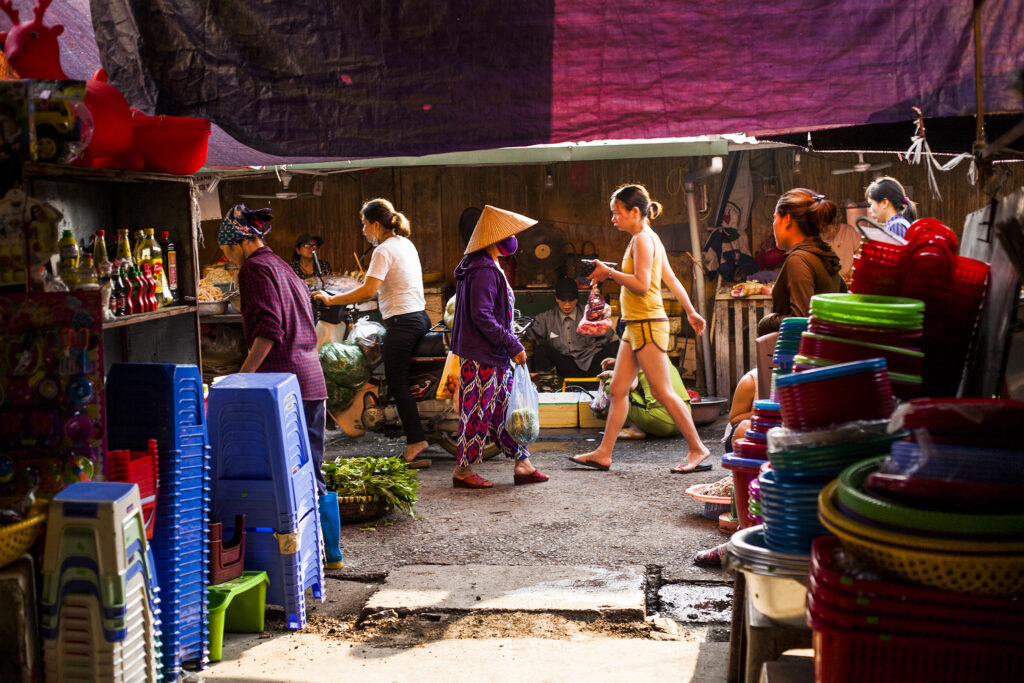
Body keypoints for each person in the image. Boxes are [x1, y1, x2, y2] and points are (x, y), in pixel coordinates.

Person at [568, 184, 710, 474]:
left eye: (617, 213)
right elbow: (670, 278)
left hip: (647, 325)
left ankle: (698, 448)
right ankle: (604, 453)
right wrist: (691, 311)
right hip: (635, 326)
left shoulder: (644, 240)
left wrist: (608, 272)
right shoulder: (647, 239)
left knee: (662, 391)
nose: (613, 219)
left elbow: (643, 284)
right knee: (618, 389)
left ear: (635, 211)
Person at [312, 199, 432, 469]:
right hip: (419, 318)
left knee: (397, 380)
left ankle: (416, 440)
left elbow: (368, 290)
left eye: (364, 225)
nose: (363, 231)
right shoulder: (405, 244)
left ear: (376, 224)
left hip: (402, 324)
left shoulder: (383, 250)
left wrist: (332, 301)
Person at [218, 204, 329, 491]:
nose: (228, 259)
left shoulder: (254, 268)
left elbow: (269, 328)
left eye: (227, 251)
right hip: (311, 381)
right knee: (311, 475)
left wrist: (244, 377)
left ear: (241, 243)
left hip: (284, 386)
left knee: (289, 479)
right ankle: (323, 535)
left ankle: (301, 536)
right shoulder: (283, 267)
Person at [449, 205, 548, 489]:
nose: (513, 239)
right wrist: (512, 343)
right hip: (483, 355)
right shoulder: (482, 269)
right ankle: (463, 471)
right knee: (478, 412)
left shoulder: (487, 265)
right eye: (509, 234)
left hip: (494, 355)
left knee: (506, 411)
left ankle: (523, 463)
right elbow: (482, 315)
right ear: (494, 238)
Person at [756, 189, 847, 336]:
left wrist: (768, 322)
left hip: (805, 355)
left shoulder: (798, 259)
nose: (773, 224)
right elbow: (844, 298)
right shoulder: (822, 252)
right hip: (827, 350)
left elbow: (802, 322)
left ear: (786, 219)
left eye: (775, 218)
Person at [693, 367, 759, 569]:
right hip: (746, 433)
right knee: (745, 430)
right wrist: (767, 410)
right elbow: (735, 419)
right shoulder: (752, 380)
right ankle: (747, 528)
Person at [527, 277, 619, 378]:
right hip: (567, 366)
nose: (567, 305)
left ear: (576, 299)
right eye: (563, 300)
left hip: (592, 362)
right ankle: (548, 387)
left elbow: (611, 338)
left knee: (617, 346)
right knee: (541, 350)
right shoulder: (547, 318)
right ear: (556, 298)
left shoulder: (589, 313)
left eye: (571, 300)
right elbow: (526, 331)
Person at [597, 356, 691, 439]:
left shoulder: (635, 350)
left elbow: (631, 384)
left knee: (611, 383)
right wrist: (618, 362)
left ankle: (635, 429)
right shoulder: (659, 350)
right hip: (684, 420)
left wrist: (610, 373)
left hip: (661, 421)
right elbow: (640, 365)